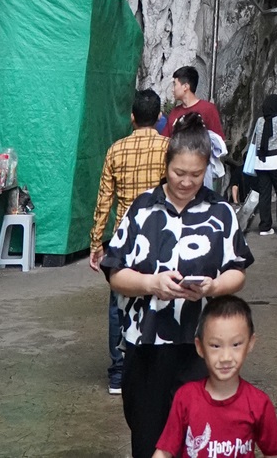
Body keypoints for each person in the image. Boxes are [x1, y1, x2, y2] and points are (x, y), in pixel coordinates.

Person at [102, 125, 252, 458]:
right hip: (147, 345)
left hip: (202, 347)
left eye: (196, 174)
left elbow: (237, 272)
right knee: (148, 438)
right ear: (166, 165)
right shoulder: (142, 210)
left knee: (201, 440)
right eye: (179, 172)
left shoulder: (220, 212)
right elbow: (115, 274)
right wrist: (151, 284)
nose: (186, 182)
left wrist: (213, 287)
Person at [89, 89, 167, 396]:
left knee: (117, 302)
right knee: (160, 295)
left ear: (131, 117)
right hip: (161, 234)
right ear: (159, 117)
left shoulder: (115, 151)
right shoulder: (168, 149)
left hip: (125, 237)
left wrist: (97, 244)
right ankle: (155, 366)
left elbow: (103, 201)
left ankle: (119, 373)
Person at [152, 298, 277, 458]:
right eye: (215, 346)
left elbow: (275, 454)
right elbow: (165, 452)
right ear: (200, 347)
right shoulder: (185, 398)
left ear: (250, 343)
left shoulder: (259, 404)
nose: (225, 357)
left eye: (236, 344)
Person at [164, 66, 228, 187]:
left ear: (185, 86)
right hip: (178, 172)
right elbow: (165, 141)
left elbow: (219, 142)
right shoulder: (174, 112)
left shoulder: (208, 109)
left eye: (175, 84)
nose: (172, 89)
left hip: (201, 173)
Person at [244, 93, 277, 237]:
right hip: (276, 161)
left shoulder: (259, 121)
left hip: (261, 163)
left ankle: (265, 227)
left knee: (264, 195)